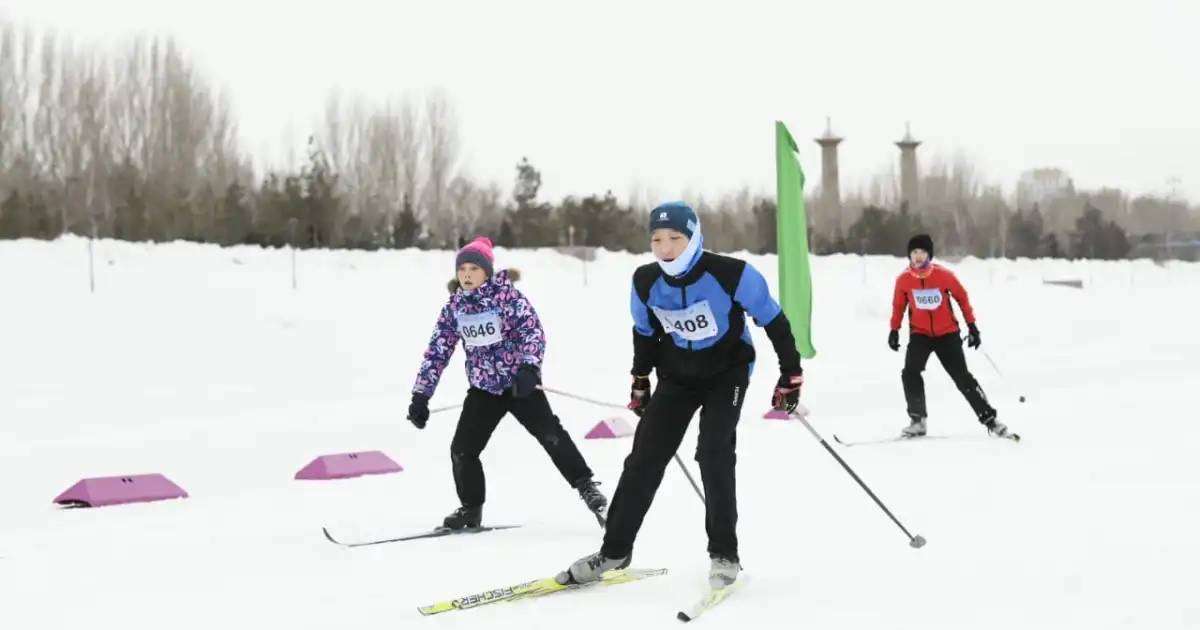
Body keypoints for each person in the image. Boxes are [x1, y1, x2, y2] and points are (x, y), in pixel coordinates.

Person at [557, 202, 805, 589]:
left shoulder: (731, 274)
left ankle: (724, 553)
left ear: (693, 237)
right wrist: (641, 380)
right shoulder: (644, 281)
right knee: (643, 458)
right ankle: (614, 551)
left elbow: (773, 319)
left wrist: (791, 374)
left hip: (728, 372)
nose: (665, 248)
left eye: (675, 238)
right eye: (657, 239)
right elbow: (645, 333)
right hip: (678, 375)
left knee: (713, 452)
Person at [407, 236, 609, 529]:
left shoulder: (507, 298)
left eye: (473, 269)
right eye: (461, 268)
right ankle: (470, 508)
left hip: (519, 385)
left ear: (486, 272)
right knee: (462, 450)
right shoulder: (455, 308)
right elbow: (437, 351)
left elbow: (533, 332)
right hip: (484, 390)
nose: (466, 274)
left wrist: (529, 368)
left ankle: (589, 489)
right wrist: (421, 396)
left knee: (551, 436)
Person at [888, 234, 1011, 439]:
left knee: (962, 378)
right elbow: (898, 307)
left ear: (929, 255)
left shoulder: (944, 276)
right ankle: (918, 420)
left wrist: (972, 328)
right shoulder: (903, 280)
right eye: (914, 252)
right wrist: (894, 330)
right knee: (910, 372)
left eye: (922, 252)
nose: (918, 257)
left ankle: (990, 419)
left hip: (947, 335)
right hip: (920, 334)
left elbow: (962, 299)